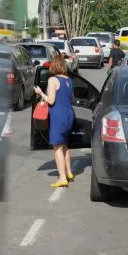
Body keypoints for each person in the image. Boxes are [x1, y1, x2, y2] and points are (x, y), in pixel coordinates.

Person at [34, 54, 74, 188]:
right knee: (65, 145)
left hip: (58, 115)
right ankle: (68, 173)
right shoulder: (69, 80)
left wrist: (40, 93)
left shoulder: (52, 80)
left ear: (54, 65)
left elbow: (51, 100)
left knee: (57, 147)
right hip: (69, 115)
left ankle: (62, 178)